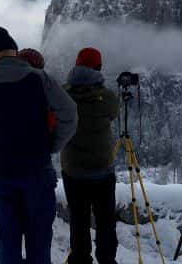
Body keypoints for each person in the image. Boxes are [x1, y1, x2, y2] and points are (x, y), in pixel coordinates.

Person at [0, 25, 77, 264]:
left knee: (8, 241)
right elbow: (69, 113)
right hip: (36, 171)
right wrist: (52, 145)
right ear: (14, 51)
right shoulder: (40, 79)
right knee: (39, 241)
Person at [61, 48, 119, 264]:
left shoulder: (63, 94)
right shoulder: (107, 97)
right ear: (99, 68)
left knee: (78, 220)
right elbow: (114, 112)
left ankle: (80, 258)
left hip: (73, 171)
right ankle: (106, 259)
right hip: (102, 170)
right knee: (105, 221)